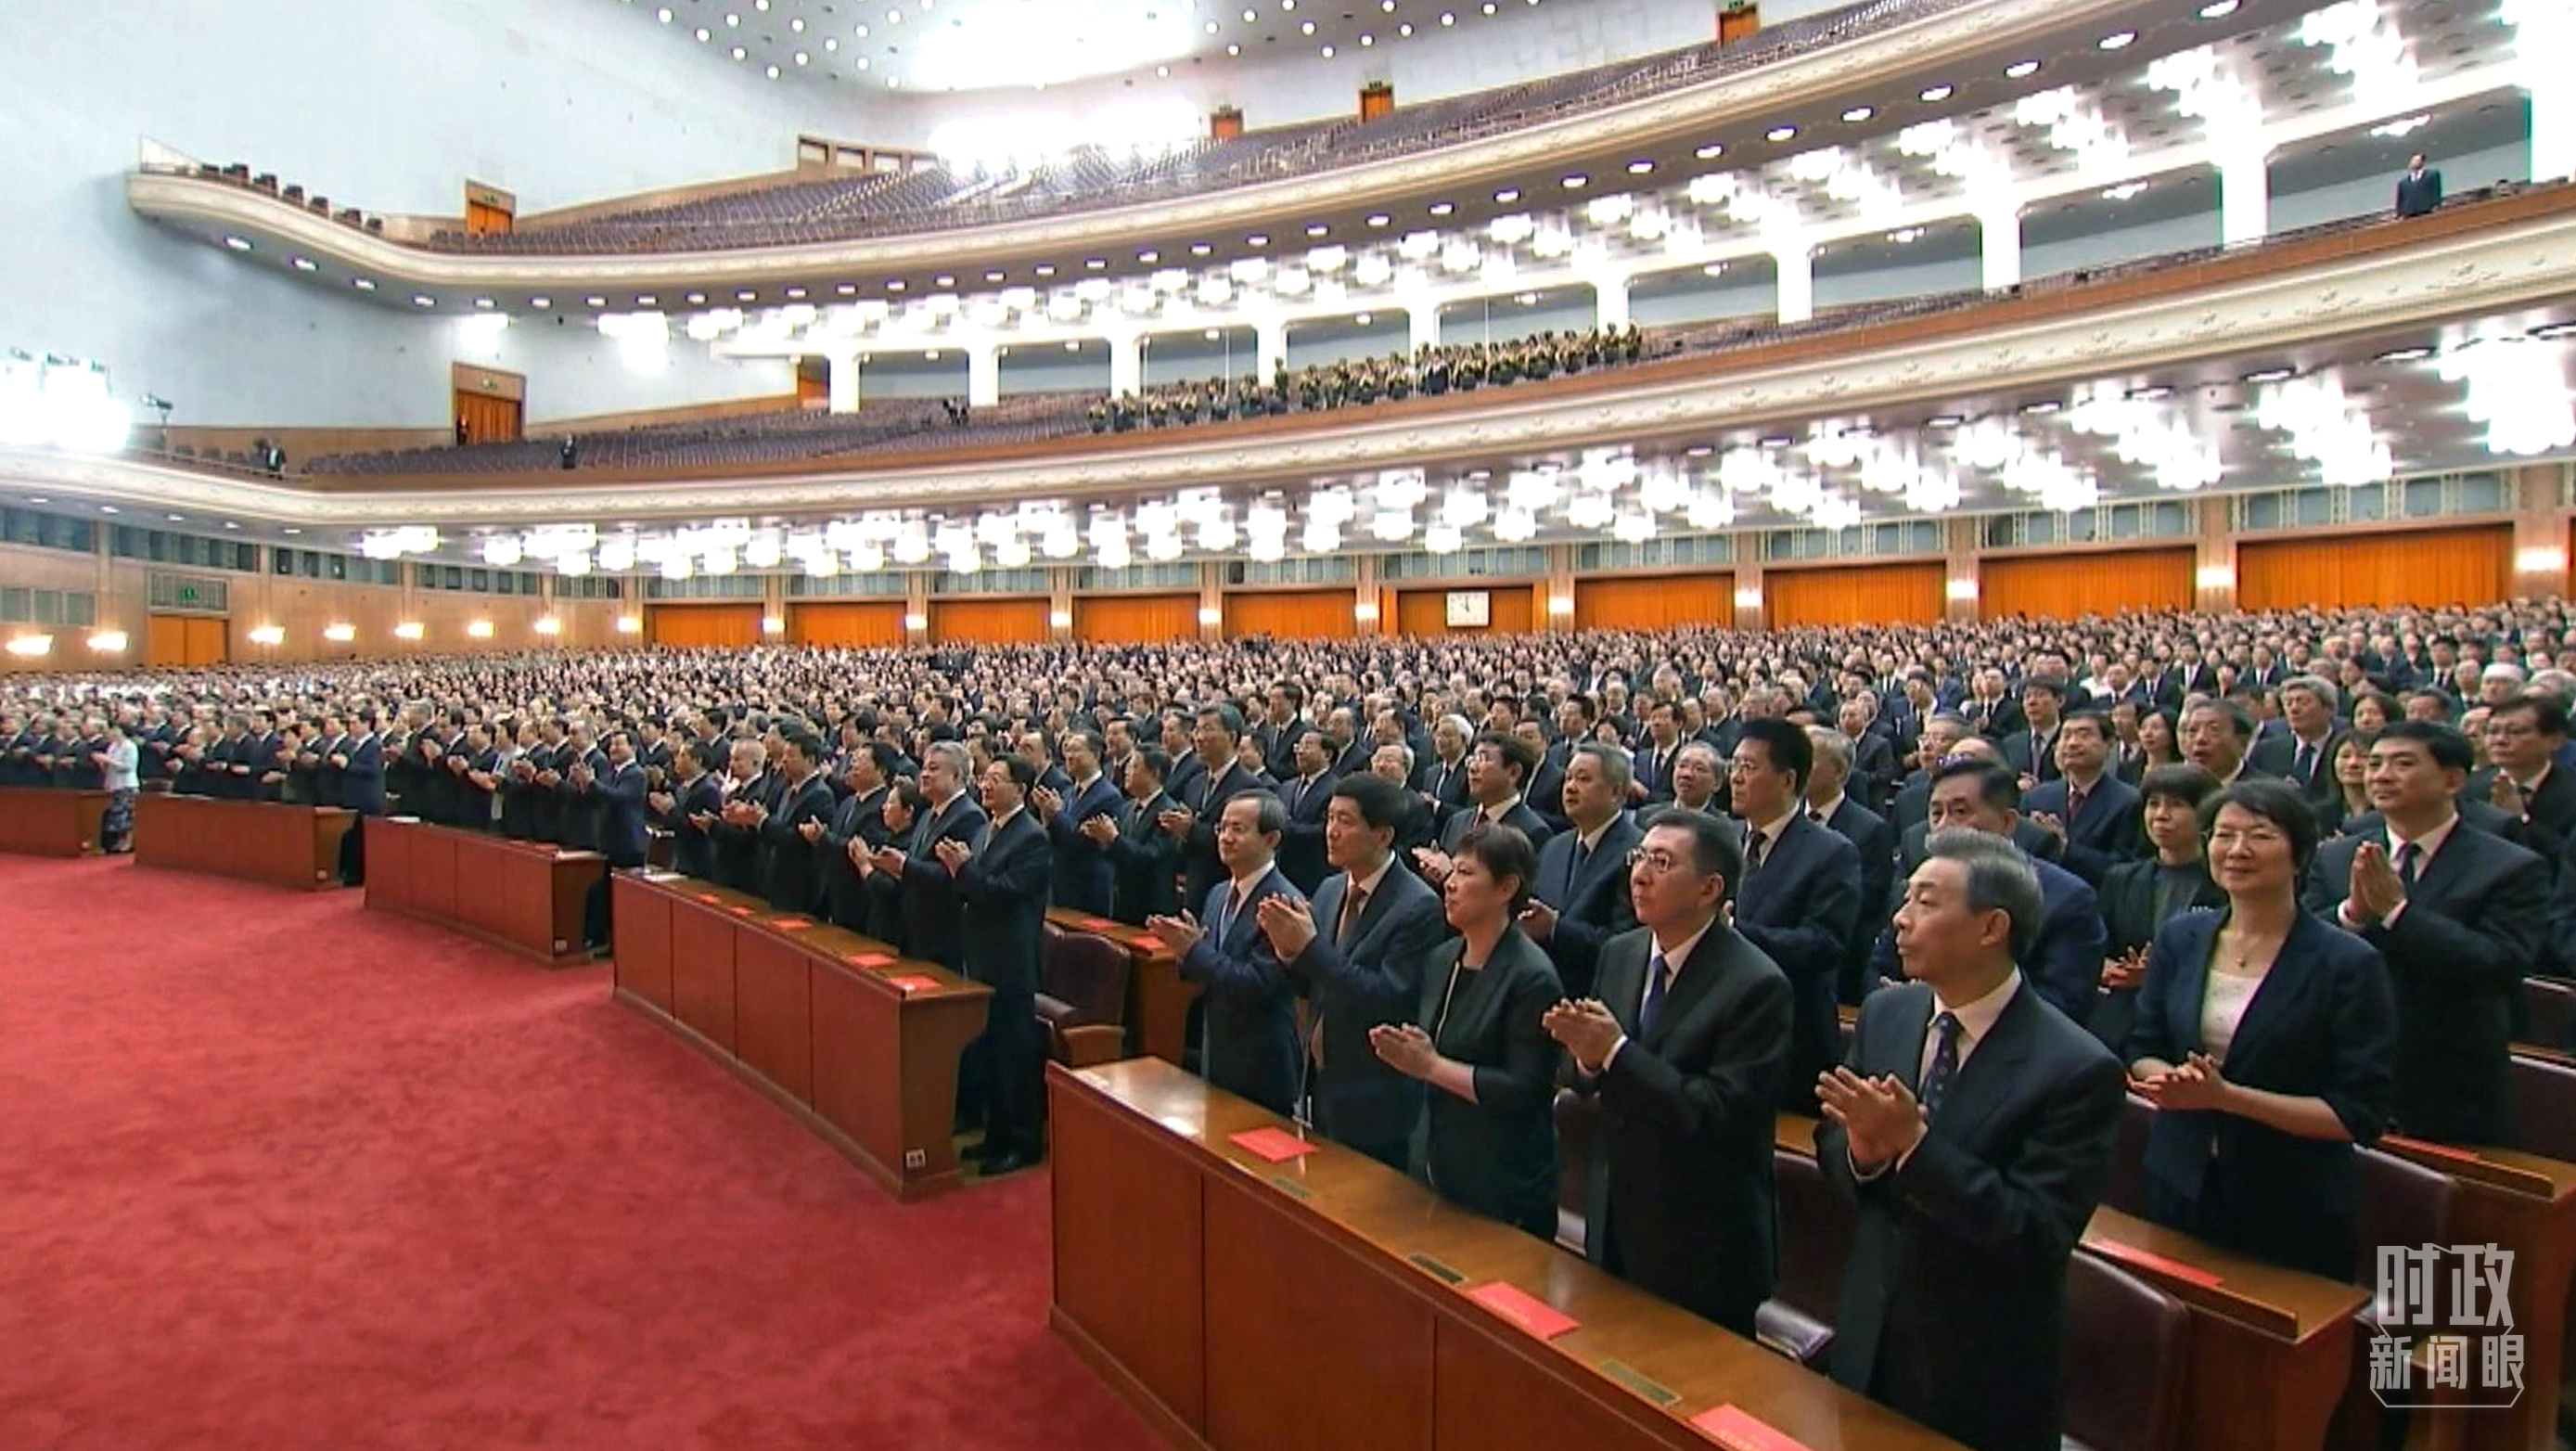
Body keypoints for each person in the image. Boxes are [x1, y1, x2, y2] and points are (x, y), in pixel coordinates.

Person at [1817, 829, 2124, 1451]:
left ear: (1991, 928)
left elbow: (2035, 1233)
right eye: (1905, 899)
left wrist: (1915, 1148)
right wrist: (1865, 1155)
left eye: (1926, 903)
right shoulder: (1890, 1013)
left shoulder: (2075, 1067)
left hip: (1980, 1361)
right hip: (1869, 1323)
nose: (1899, 920)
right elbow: (1836, 1142)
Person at [2128, 780, 2397, 1278]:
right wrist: (2169, 1081)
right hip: (2179, 1176)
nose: (2237, 850)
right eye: (2224, 834)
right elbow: (2143, 1045)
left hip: (2292, 1196)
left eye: (2260, 835)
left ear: (2300, 853)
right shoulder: (2181, 938)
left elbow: (2357, 1113)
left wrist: (2227, 1097)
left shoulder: (2347, 963)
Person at [1545, 808, 1788, 1333]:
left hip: (1702, 1233)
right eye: (1639, 857)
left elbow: (1719, 1113)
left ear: (1709, 889)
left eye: (1662, 862)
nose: (1639, 874)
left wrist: (1613, 1052)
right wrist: (1587, 1060)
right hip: (1617, 1209)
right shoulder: (1622, 951)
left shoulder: (1756, 984)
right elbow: (1591, 1070)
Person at [2304, 721, 2550, 1144]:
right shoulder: (2338, 856)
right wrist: (2351, 913)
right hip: (2343, 1061)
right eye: (2375, 763)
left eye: (2402, 764)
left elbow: (2499, 964)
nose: (2380, 775)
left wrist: (2399, 914)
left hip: (2449, 1072)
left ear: (2453, 779)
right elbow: (2300, 944)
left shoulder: (2510, 866)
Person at [1371, 823, 1562, 1239]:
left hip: (1501, 1181)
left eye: (1466, 874)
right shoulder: (1443, 957)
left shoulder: (1532, 977)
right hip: (1436, 1160)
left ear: (1506, 887)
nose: (1451, 885)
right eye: (1451, 873)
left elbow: (1523, 1090)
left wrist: (1430, 1066)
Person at [1262, 774, 1447, 1170]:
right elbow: (1315, 984)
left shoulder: (1418, 906)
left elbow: (1386, 998)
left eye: (1346, 821)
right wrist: (1288, 954)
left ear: (1382, 836)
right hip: (1324, 1077)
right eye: (1329, 818)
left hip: (1376, 1091)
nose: (1331, 831)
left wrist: (1309, 948)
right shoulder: (1330, 889)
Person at [1726, 718, 1862, 1109]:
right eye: (1733, 765)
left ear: (1787, 780)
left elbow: (1824, 944)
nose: (1735, 778)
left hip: (1787, 1032)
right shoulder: (1722, 837)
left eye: (1748, 768)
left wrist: (1734, 932)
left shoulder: (1832, 852)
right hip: (1719, 1023)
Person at [1151, 791, 1303, 1116]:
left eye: (1238, 829)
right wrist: (1185, 952)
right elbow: (1206, 969)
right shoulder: (1219, 893)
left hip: (1261, 1059)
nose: (1225, 838)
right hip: (1216, 1046)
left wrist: (1193, 951)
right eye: (1221, 828)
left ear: (1271, 838)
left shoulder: (1284, 904)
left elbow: (1256, 985)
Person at [940, 753, 1053, 1173]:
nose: (986, 786)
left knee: (1014, 1052)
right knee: (988, 1049)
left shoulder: (1032, 836)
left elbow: (1004, 892)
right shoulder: (990, 827)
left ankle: (1023, 1143)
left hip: (1012, 959)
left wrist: (962, 869)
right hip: (984, 953)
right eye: (984, 779)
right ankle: (995, 1135)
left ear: (1020, 790)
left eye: (996, 780)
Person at [2093, 764, 2227, 1051]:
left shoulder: (2225, 884)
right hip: (2125, 1017)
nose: (2161, 815)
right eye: (2153, 804)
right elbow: (2100, 944)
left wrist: (2156, 974)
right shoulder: (2121, 878)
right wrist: (2108, 967)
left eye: (2176, 805)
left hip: (2198, 1019)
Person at [1517, 742, 1644, 1000]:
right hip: (1539, 989)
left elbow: (1629, 944)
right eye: (1568, 778)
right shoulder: (1555, 846)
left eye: (1584, 779)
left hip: (1596, 996)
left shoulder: (1637, 851)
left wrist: (1556, 928)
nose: (1571, 787)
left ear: (1616, 792)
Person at [1804, 726, 1893, 1006]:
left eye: (1809, 758)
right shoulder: (1788, 819)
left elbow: (1866, 909)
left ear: (1839, 770)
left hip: (1839, 970)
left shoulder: (1870, 829)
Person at [2020, 710, 2141, 887]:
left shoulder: (2129, 801)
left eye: (2084, 735)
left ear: (2109, 745)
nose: (2073, 743)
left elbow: (2126, 869)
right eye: (2066, 736)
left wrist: (2065, 848)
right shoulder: (2037, 798)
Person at [1032, 726, 1121, 916]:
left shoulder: (1108, 796)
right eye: (1067, 750)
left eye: (1076, 750)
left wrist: (1056, 814)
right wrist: (1047, 817)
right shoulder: (1068, 792)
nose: (1069, 756)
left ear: (1096, 754)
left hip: (1087, 887)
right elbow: (1057, 833)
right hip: (1059, 882)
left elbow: (1083, 841)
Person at [1093, 745, 1181, 925]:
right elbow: (1118, 852)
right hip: (1122, 902)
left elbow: (1150, 856)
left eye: (1134, 766)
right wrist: (1102, 840)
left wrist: (1114, 839)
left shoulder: (1169, 812)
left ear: (1154, 773)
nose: (1126, 771)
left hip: (1151, 907)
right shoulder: (1127, 807)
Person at [758, 729, 838, 915]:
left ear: (810, 760)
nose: (784, 760)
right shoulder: (788, 789)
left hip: (800, 885)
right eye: (784, 754)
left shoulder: (820, 794)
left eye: (791, 755)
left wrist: (762, 821)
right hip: (778, 880)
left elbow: (797, 839)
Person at [96, 718, 138, 853]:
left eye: (115, 729)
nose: (111, 732)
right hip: (112, 783)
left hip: (126, 784)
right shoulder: (113, 746)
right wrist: (102, 763)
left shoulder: (130, 746)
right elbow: (110, 766)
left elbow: (128, 766)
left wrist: (107, 759)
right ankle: (118, 841)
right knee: (115, 815)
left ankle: (128, 841)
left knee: (126, 814)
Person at [2396, 152, 2443, 217]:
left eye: (2417, 160)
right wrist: (2400, 213)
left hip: (2428, 211)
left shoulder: (2432, 175)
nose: (2414, 163)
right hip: (2409, 215)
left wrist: (2436, 205)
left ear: (2422, 162)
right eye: (2413, 160)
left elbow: (2436, 191)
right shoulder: (2403, 183)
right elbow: (2400, 200)